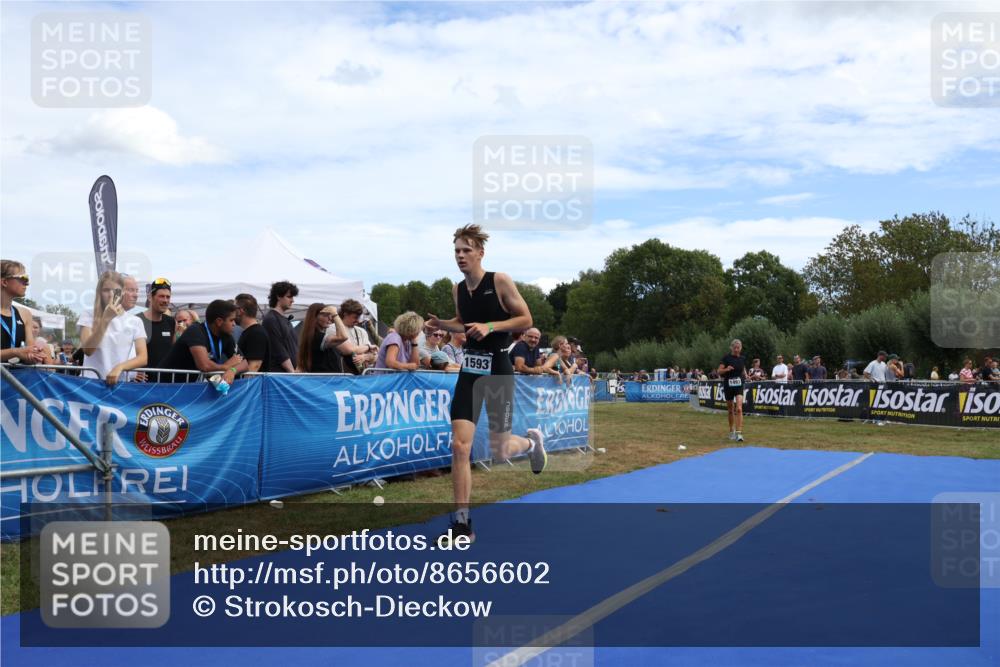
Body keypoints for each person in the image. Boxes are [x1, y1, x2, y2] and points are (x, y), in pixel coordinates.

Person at [425, 224, 545, 544]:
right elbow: (462, 324)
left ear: (480, 253)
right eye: (456, 251)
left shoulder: (499, 281)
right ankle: (462, 523)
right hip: (470, 370)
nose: (460, 256)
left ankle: (532, 444)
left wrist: (491, 325)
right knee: (459, 445)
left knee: (500, 449)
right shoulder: (458, 289)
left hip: (498, 368)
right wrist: (440, 324)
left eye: (466, 250)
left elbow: (525, 320)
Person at [78, 271, 148, 385]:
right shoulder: (88, 315)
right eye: (106, 290)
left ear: (122, 292)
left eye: (116, 290)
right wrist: (105, 319)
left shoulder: (135, 321)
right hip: (90, 383)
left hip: (117, 384)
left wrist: (120, 367)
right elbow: (88, 350)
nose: (111, 294)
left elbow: (143, 357)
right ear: (99, 292)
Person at [159, 299, 246, 383]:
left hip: (187, 386)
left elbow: (245, 363)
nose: (234, 324)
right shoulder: (195, 331)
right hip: (167, 385)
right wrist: (226, 366)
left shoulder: (226, 336)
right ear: (219, 321)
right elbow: (205, 365)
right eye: (231, 320)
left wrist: (232, 370)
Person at [1, 260, 45, 365]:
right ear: (4, 282)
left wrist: (34, 355)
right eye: (23, 279)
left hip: (15, 378)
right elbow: (19, 352)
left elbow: (28, 356)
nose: (27, 283)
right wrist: (15, 352)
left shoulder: (25, 314)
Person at [138, 277, 176, 370]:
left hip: (165, 381)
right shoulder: (137, 320)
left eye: (168, 297)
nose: (165, 300)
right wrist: (133, 373)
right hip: (142, 383)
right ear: (150, 297)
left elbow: (173, 352)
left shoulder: (171, 322)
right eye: (161, 296)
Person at [297, 303, 347, 373]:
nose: (330, 318)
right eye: (325, 315)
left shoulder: (315, 336)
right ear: (314, 317)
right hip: (324, 381)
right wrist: (335, 314)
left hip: (328, 380)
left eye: (330, 315)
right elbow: (343, 337)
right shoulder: (316, 337)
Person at [262, 280, 299, 373]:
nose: (292, 300)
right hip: (280, 376)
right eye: (289, 296)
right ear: (278, 296)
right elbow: (278, 350)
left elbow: (293, 347)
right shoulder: (271, 319)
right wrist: (292, 372)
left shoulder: (286, 320)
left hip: (289, 375)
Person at [335, 299, 377, 374]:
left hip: (361, 375)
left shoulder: (362, 331)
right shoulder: (334, 328)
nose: (357, 320)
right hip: (342, 376)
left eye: (358, 317)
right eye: (355, 317)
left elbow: (375, 356)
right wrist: (368, 347)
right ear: (345, 314)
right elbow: (348, 350)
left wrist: (365, 357)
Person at [718, 338, 747, 442]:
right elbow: (719, 371)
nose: (736, 349)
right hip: (728, 385)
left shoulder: (742, 358)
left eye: (738, 347)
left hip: (739, 385)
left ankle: (739, 433)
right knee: (731, 410)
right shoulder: (726, 358)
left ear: (740, 348)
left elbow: (743, 368)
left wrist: (746, 375)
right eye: (734, 347)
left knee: (739, 408)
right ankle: (731, 431)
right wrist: (726, 369)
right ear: (731, 348)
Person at [235, 294, 269, 373]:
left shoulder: (256, 333)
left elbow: (254, 366)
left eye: (234, 309)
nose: (232, 312)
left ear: (241, 311)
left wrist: (245, 384)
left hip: (252, 384)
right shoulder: (251, 331)